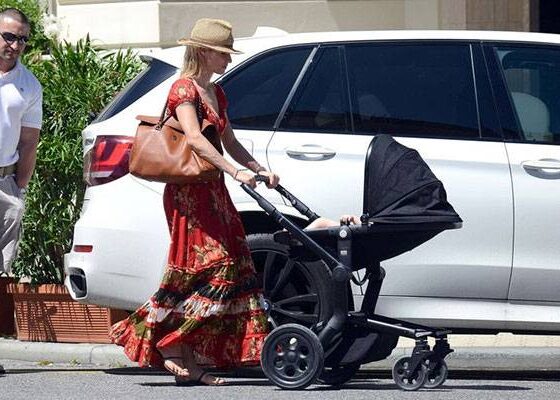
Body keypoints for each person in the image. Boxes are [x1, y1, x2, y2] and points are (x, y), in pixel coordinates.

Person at [109, 18, 279, 386]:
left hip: (213, 191)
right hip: (188, 194)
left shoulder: (216, 92)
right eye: (223, 53)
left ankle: (189, 361)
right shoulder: (183, 89)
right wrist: (235, 171)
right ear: (203, 52)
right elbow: (196, 140)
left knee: (232, 264)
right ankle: (170, 341)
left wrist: (258, 168)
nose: (228, 60)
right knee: (212, 268)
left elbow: (228, 141)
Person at [0, 7, 42, 376]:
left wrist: (19, 188)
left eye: (22, 40)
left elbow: (29, 142)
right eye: (9, 36)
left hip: (5, 184)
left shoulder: (29, 85)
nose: (15, 45)